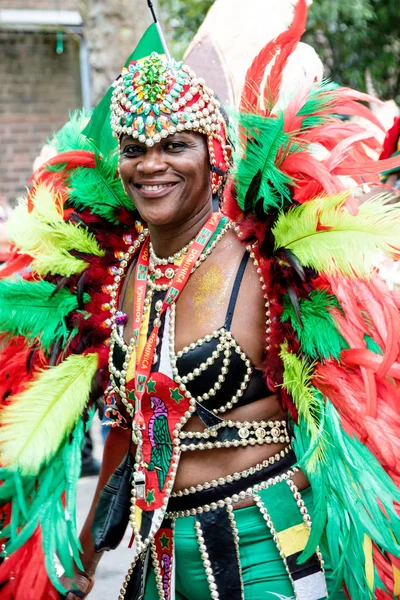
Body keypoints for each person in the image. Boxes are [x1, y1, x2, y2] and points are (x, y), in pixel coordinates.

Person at [1, 1, 400, 599]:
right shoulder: (120, 272)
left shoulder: (267, 264)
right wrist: (83, 554)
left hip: (268, 544)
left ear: (212, 153)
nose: (152, 164)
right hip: (159, 553)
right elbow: (134, 432)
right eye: (134, 147)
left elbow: (350, 419)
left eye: (175, 145)